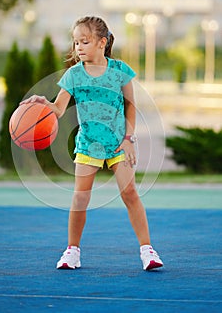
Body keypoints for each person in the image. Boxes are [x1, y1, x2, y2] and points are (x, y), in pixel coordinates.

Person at [20, 16, 163, 271]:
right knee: (79, 199)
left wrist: (129, 139)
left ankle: (147, 251)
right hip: (88, 144)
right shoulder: (74, 75)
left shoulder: (120, 71)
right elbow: (59, 109)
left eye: (84, 41)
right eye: (75, 42)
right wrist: (45, 104)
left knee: (129, 193)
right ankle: (72, 251)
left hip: (119, 143)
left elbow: (131, 106)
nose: (78, 47)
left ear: (102, 42)